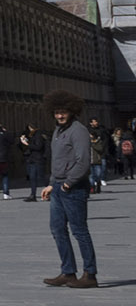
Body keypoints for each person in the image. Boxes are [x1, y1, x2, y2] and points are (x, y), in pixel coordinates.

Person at [39, 93, 99, 288]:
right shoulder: (58, 131)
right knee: (57, 229)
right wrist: (51, 183)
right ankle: (68, 272)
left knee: (79, 231)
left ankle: (90, 274)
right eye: (56, 112)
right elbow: (57, 160)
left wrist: (68, 182)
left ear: (72, 111)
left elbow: (83, 161)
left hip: (73, 188)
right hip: (58, 187)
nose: (59, 116)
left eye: (63, 112)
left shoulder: (78, 131)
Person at [21, 125, 48, 203]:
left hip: (38, 158)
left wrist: (27, 144)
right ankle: (33, 194)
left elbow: (38, 147)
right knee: (33, 177)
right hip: (33, 159)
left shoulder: (38, 135)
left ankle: (49, 192)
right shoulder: (33, 135)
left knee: (41, 176)